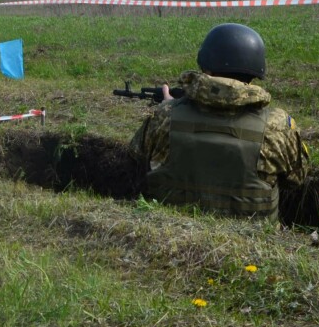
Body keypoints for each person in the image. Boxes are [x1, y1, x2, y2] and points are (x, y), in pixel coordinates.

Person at [129, 23, 309, 219]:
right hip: (250, 242)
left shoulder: (165, 116)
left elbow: (136, 156)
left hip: (171, 234)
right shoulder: (278, 127)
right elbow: (297, 178)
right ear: (255, 73)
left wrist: (168, 110)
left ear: (206, 66)